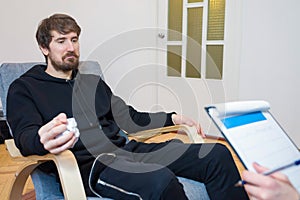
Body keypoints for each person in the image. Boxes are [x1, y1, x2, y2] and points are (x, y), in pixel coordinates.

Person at [7, 13, 249, 200]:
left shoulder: (91, 82)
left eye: (74, 39)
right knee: (160, 181)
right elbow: (24, 136)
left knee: (216, 155)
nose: (71, 48)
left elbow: (129, 117)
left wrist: (173, 118)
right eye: (61, 41)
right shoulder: (25, 88)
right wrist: (41, 140)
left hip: (129, 151)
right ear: (44, 48)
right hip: (92, 166)